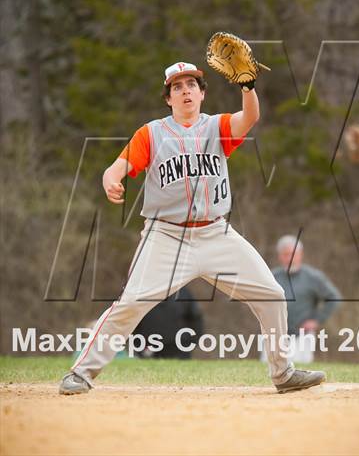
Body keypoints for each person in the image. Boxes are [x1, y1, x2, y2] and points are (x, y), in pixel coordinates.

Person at [59, 60, 325, 395]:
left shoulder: (217, 127)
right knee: (130, 303)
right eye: (177, 87)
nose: (185, 91)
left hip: (215, 233)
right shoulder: (152, 133)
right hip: (166, 235)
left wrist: (247, 86)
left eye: (191, 85)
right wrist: (111, 181)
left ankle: (283, 373)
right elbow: (115, 168)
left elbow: (250, 118)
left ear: (202, 93)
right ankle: (81, 372)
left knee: (271, 294)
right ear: (168, 98)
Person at [270, 235, 341, 363]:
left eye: (293, 254)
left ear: (300, 254)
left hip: (302, 337)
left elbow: (334, 298)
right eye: (285, 254)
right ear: (279, 256)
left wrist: (316, 320)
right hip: (275, 336)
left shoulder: (313, 277)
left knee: (302, 374)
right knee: (269, 373)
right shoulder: (271, 277)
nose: (289, 258)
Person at [132, 286, 203, 359]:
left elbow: (195, 317)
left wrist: (193, 341)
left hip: (178, 349)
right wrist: (139, 345)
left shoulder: (182, 292)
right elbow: (132, 321)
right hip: (149, 347)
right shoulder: (142, 294)